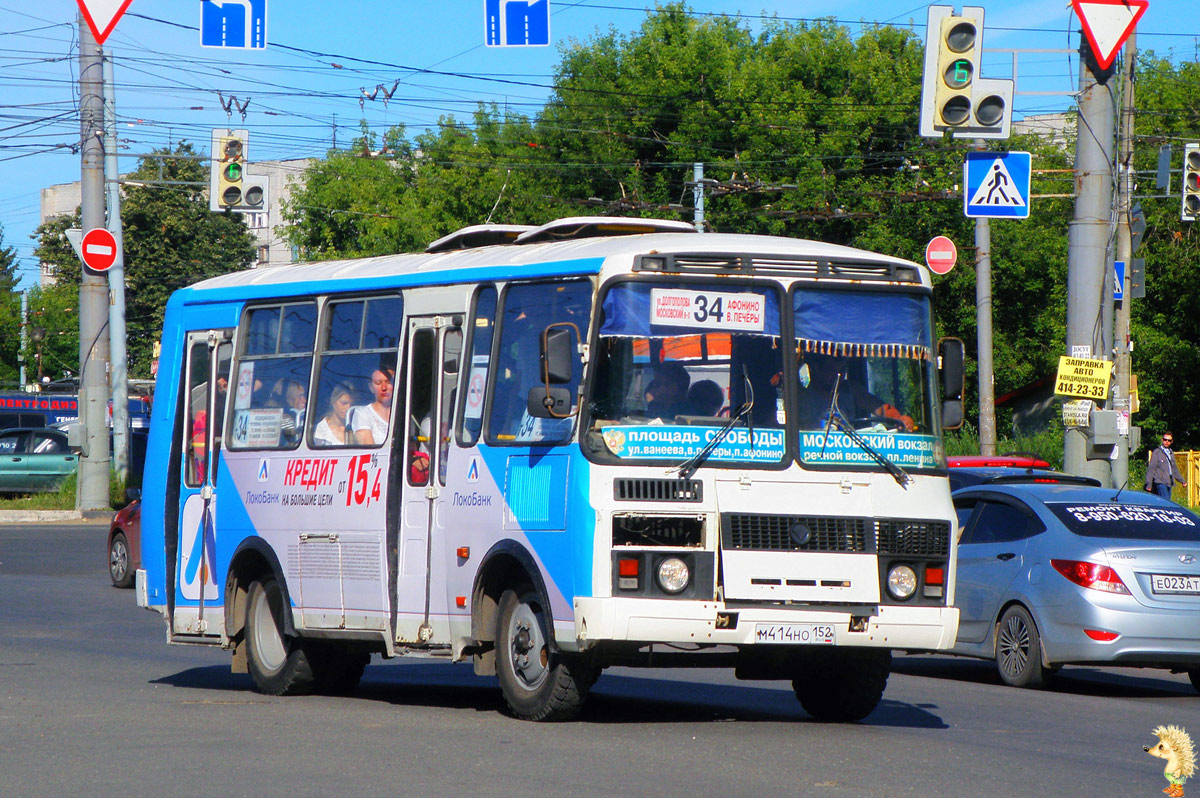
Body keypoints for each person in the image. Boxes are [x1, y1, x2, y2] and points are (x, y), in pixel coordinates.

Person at [353, 367, 393, 445]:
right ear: (371, 388)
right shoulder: (362, 414)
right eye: (378, 383)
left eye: (388, 382)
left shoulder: (404, 415)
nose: (384, 388)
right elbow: (368, 450)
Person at [1145, 431, 1187, 499]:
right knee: (1166, 500)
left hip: (1169, 481)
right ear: (1162, 440)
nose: (1166, 442)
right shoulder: (1157, 452)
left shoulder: (1170, 453)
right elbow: (1151, 468)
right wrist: (1149, 484)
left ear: (1171, 442)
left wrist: (1182, 481)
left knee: (1166, 502)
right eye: (1165, 440)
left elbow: (1174, 469)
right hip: (1160, 481)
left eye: (1169, 440)